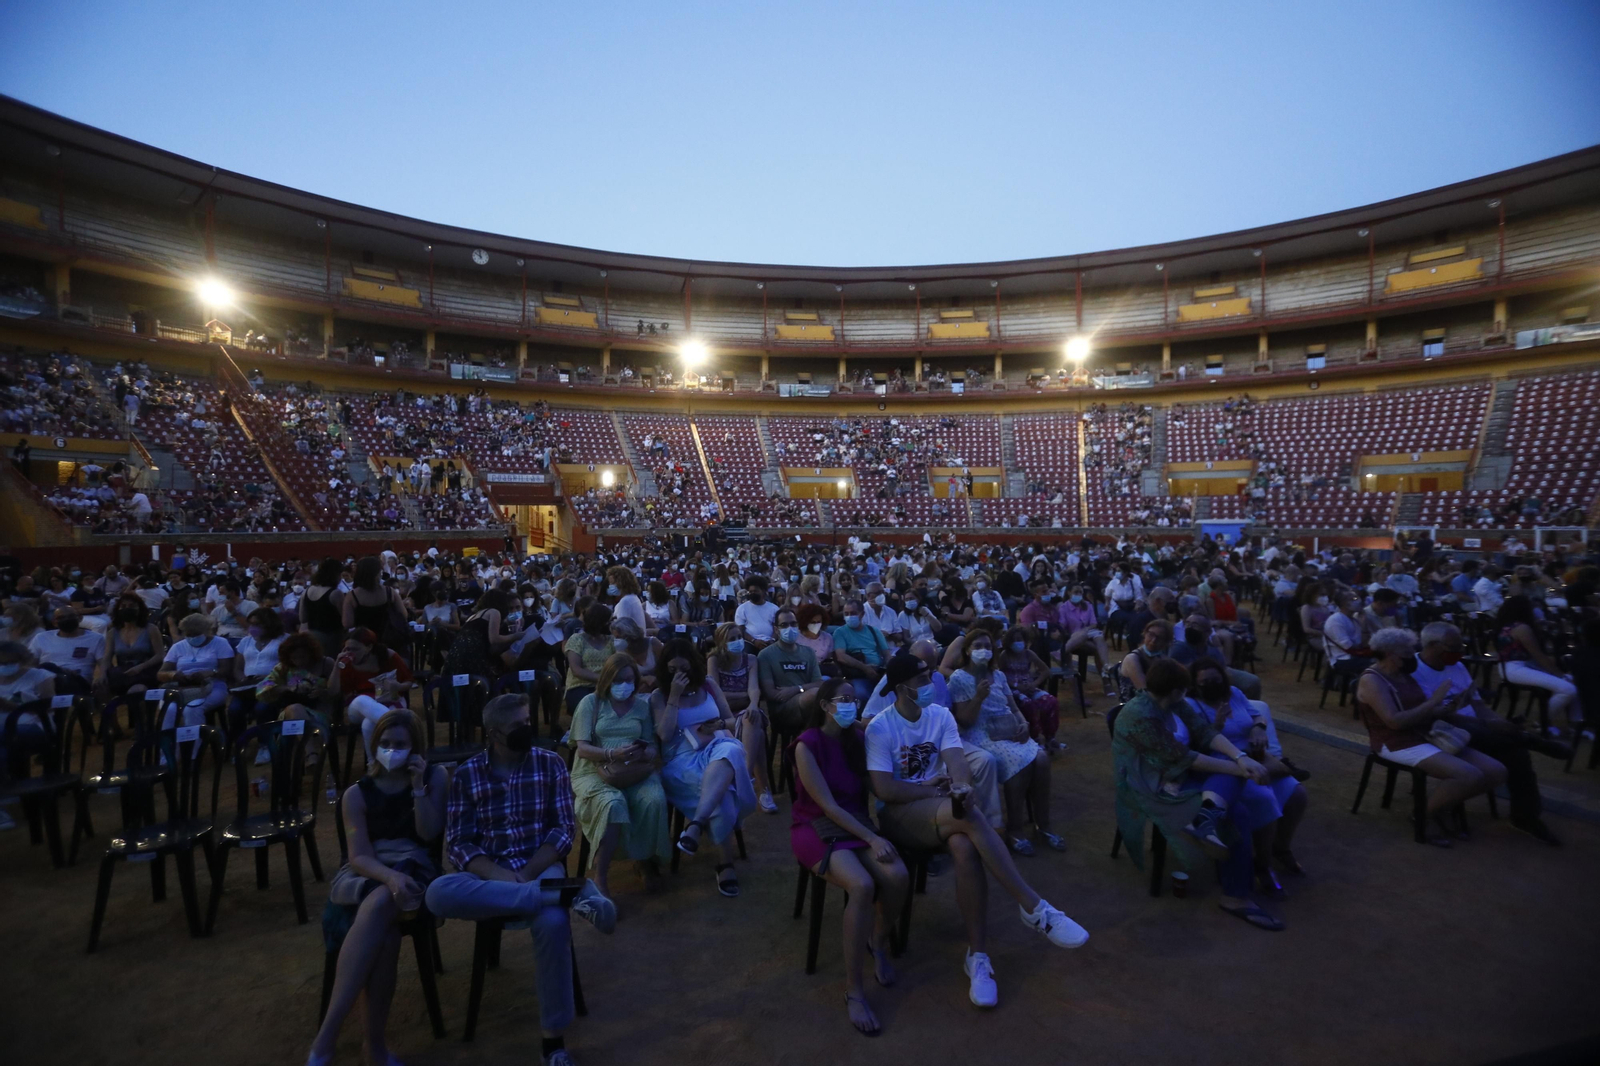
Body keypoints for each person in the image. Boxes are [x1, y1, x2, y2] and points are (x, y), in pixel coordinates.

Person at [865, 653, 1087, 1009]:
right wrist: (934, 790)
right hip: (899, 816)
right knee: (969, 820)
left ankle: (978, 957)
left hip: (940, 809)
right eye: (923, 678)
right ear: (901, 688)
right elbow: (885, 791)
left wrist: (962, 788)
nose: (931, 682)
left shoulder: (939, 715)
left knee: (965, 846)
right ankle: (1033, 906)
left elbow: (957, 762)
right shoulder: (880, 727)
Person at [425, 693, 615, 1066]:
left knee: (553, 921)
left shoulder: (549, 765)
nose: (528, 729)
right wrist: (498, 875)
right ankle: (566, 894)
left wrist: (527, 875)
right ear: (494, 734)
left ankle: (553, 1041)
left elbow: (562, 831)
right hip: (491, 873)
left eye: (529, 721)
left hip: (538, 866)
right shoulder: (467, 775)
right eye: (518, 726)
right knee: (436, 892)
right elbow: (460, 843)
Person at [308, 710, 448, 1066]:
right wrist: (388, 876)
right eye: (384, 744)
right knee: (384, 927)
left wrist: (418, 789)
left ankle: (327, 1039)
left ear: (415, 747)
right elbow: (358, 857)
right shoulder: (356, 794)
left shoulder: (436, 777)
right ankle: (373, 1047)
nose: (391, 750)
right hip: (367, 873)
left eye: (400, 744)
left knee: (387, 902)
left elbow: (430, 834)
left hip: (417, 868)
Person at [1112, 658, 1285, 930]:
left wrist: (1240, 758)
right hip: (1153, 783)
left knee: (1231, 781)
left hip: (1179, 772)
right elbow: (1182, 757)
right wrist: (1242, 769)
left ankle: (1206, 819)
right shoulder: (1140, 715)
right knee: (1236, 811)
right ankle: (1234, 894)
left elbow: (1204, 733)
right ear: (1176, 690)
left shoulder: (1174, 702)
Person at [791, 677, 909, 1035]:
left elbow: (879, 784)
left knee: (898, 876)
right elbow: (825, 806)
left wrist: (916, 780)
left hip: (855, 822)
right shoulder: (806, 745)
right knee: (860, 885)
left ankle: (878, 938)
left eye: (854, 700)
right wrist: (873, 837)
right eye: (844, 700)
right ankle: (854, 989)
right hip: (814, 827)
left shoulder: (859, 738)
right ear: (825, 705)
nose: (851, 705)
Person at [1414, 622, 1564, 846]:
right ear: (1433, 645)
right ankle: (1528, 742)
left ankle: (1526, 817)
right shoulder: (1415, 671)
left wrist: (1497, 721)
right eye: (1454, 646)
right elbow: (1435, 717)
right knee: (1510, 745)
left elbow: (1478, 703)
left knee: (1517, 754)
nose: (1460, 651)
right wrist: (1486, 723)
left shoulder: (1457, 667)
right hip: (1444, 730)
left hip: (1479, 729)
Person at [1355, 628, 1506, 846]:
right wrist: (1433, 702)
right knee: (1468, 775)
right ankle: (1423, 816)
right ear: (1390, 654)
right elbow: (1394, 722)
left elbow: (1421, 711)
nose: (1411, 655)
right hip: (1395, 742)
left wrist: (1446, 708)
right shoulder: (1373, 680)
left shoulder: (1402, 674)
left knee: (1496, 772)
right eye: (1406, 652)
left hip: (1425, 733)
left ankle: (1442, 805)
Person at [1185, 659, 1309, 893]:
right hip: (1225, 766)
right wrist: (1217, 726)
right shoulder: (1191, 705)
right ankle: (1262, 865)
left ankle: (1281, 849)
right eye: (1205, 682)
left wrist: (1258, 728)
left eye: (1216, 679)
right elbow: (1195, 749)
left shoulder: (1233, 693)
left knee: (1297, 795)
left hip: (1257, 756)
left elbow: (1256, 716)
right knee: (1265, 800)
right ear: (1195, 684)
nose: (1212, 685)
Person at [653, 638, 756, 898]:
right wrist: (674, 696)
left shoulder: (708, 686)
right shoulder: (659, 696)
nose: (679, 675)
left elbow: (732, 721)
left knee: (731, 748)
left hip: (716, 747)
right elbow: (664, 736)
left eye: (683, 669)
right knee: (722, 794)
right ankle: (725, 863)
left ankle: (696, 824)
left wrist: (718, 724)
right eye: (673, 669)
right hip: (681, 760)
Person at [569, 654, 670, 898]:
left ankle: (645, 859)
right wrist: (612, 752)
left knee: (654, 799)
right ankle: (601, 876)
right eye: (618, 679)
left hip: (634, 768)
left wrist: (646, 751)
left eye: (629, 679)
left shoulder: (642, 706)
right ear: (607, 679)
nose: (624, 685)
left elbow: (652, 745)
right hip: (594, 769)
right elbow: (582, 748)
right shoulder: (590, 704)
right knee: (613, 804)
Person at [949, 630, 1058, 853]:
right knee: (1020, 764)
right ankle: (1015, 829)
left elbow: (1013, 706)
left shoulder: (997, 675)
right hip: (981, 734)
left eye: (988, 646)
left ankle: (1043, 824)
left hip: (1007, 730)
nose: (984, 651)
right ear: (968, 650)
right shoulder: (959, 678)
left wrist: (1023, 723)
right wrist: (978, 697)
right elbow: (965, 721)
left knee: (1042, 759)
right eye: (978, 646)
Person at [710, 622, 775, 812]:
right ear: (722, 643)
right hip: (725, 715)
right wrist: (744, 696)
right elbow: (716, 694)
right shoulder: (714, 660)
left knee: (750, 717)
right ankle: (763, 790)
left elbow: (754, 689)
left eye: (739, 637)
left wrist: (753, 703)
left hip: (747, 711)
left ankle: (744, 777)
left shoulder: (751, 660)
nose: (737, 642)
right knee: (759, 735)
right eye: (732, 639)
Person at [1494, 595, 1580, 735]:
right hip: (1516, 669)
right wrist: (1558, 673)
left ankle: (1577, 724)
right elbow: (1538, 655)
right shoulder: (1522, 628)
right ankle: (1542, 722)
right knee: (1568, 689)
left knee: (1571, 683)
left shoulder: (1507, 625)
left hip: (1512, 667)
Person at [330, 628, 414, 763]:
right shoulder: (345, 662)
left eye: (355, 649)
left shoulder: (387, 656)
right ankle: (401, 726)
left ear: (369, 647)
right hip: (358, 706)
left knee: (368, 724)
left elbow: (408, 681)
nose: (350, 652)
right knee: (362, 700)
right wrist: (336, 666)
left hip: (390, 699)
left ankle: (376, 766)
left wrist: (397, 686)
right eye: (347, 648)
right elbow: (333, 692)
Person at [757, 608, 825, 738]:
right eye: (784, 625)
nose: (790, 628)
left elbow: (819, 683)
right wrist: (804, 692)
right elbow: (771, 693)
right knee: (814, 696)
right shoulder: (766, 655)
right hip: (782, 711)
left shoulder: (808, 652)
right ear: (776, 630)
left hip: (807, 703)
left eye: (793, 624)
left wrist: (796, 689)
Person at [157, 613, 233, 728]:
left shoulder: (220, 643)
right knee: (169, 709)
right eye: (189, 634)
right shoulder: (178, 647)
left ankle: (195, 743)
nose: (192, 638)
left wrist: (210, 673)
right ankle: (170, 743)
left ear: (206, 631)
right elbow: (161, 673)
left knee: (192, 709)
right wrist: (173, 675)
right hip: (183, 687)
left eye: (196, 634)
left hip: (213, 685)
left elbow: (227, 670)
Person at [98, 593, 165, 704]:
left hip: (146, 671)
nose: (127, 609)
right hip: (123, 672)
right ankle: (110, 720)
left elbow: (160, 655)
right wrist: (102, 674)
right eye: (123, 606)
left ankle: (139, 720)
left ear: (140, 609)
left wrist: (141, 667)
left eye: (132, 606)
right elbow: (107, 657)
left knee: (136, 691)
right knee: (100, 687)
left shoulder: (151, 629)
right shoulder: (112, 632)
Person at [832, 598, 889, 702]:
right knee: (861, 694)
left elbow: (886, 653)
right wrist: (865, 668)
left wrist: (887, 670)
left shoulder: (873, 631)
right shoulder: (840, 632)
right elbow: (841, 656)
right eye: (846, 614)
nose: (849, 617)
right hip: (858, 674)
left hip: (878, 671)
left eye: (853, 613)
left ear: (862, 614)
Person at [564, 603, 614, 715]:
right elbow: (576, 670)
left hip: (607, 685)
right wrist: (603, 678)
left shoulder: (611, 640)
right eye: (608, 621)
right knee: (589, 707)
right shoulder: (577, 640)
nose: (611, 624)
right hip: (581, 685)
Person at [301, 559, 347, 663]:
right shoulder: (336, 594)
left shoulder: (307, 591)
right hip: (332, 639)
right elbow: (345, 621)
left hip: (311, 637)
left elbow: (303, 618)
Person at [733, 575, 779, 648]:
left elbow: (776, 628)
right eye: (750, 591)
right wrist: (754, 641)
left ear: (763, 591)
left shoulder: (774, 608)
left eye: (755, 591)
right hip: (749, 643)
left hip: (770, 643)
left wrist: (772, 640)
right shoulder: (742, 608)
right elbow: (740, 630)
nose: (752, 593)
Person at [606, 566, 649, 636]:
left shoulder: (625, 602)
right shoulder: (633, 598)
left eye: (612, 583)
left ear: (622, 583)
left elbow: (620, 630)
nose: (610, 586)